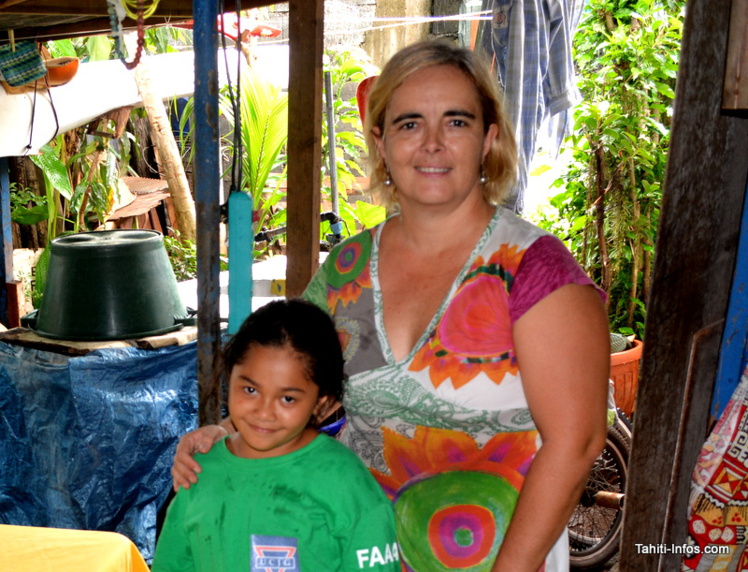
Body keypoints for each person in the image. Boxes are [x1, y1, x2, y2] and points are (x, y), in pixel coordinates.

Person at [172, 39, 610, 572]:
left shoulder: (533, 271)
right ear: (380, 142)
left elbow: (576, 443)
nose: (432, 144)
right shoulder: (345, 271)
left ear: (489, 138)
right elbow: (288, 379)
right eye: (409, 124)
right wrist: (224, 435)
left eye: (456, 122)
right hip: (349, 550)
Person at [154, 299, 399, 572]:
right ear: (229, 377)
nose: (264, 412)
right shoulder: (199, 471)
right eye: (250, 390)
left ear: (321, 404)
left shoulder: (345, 482)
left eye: (287, 398)